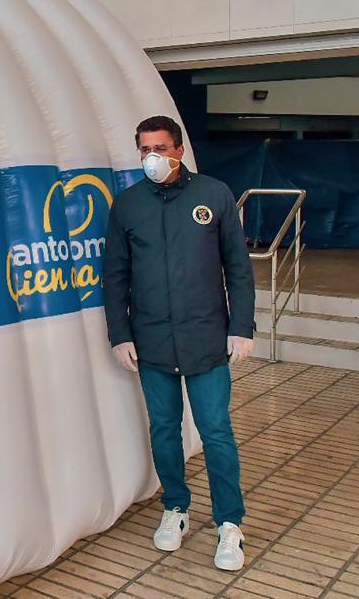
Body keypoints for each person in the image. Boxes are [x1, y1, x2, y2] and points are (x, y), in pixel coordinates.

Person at [103, 116, 256, 571]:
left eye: (161, 148)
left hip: (205, 337)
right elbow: (115, 276)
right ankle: (175, 507)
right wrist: (120, 334)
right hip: (152, 340)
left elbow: (238, 267)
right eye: (145, 150)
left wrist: (241, 327)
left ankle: (230, 523)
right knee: (164, 429)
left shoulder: (214, 195)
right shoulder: (127, 205)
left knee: (216, 431)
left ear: (179, 150)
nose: (152, 157)